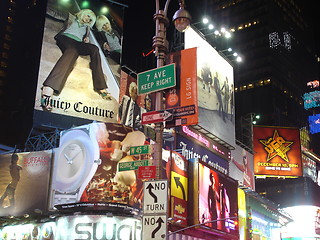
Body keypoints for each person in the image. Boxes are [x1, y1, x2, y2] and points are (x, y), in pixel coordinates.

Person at [41, 9, 112, 111]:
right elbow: (56, 13)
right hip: (66, 38)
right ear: (82, 14)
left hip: (78, 43)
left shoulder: (88, 29)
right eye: (87, 16)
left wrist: (86, 39)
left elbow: (93, 39)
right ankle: (49, 87)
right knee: (72, 51)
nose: (88, 19)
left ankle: (101, 86)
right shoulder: (72, 18)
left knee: (94, 49)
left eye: (90, 19)